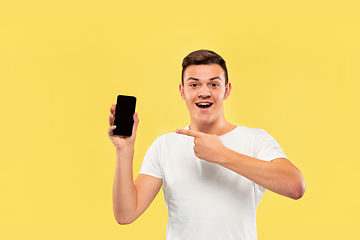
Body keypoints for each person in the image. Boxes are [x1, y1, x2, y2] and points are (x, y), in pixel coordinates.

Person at [107, 49, 306, 240]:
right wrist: (124, 150)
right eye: (194, 85)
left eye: (213, 84)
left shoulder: (254, 140)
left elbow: (295, 186)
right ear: (182, 91)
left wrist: (223, 155)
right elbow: (125, 214)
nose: (204, 92)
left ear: (226, 90)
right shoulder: (164, 146)